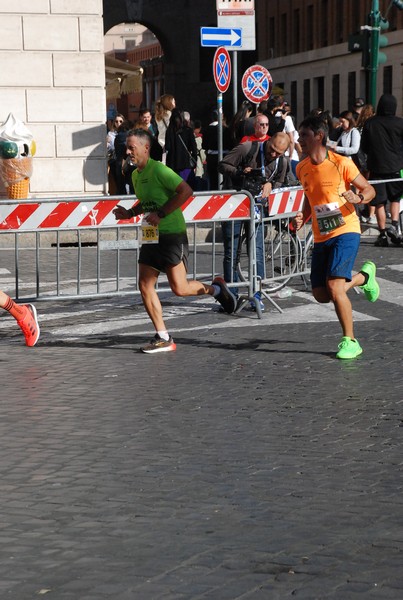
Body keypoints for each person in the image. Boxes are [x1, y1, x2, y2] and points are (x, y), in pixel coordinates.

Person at [113, 129, 236, 354]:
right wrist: (129, 213)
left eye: (132, 147)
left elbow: (185, 191)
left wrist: (161, 214)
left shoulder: (159, 169)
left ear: (146, 148)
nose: (128, 151)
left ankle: (216, 289)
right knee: (144, 285)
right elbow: (146, 202)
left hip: (171, 234)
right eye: (127, 148)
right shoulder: (135, 175)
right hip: (151, 236)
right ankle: (163, 336)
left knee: (179, 288)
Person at [294, 115, 378, 360]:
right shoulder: (301, 168)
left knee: (335, 287)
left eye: (304, 136)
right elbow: (310, 199)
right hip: (321, 236)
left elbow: (369, 189)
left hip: (346, 229)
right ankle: (364, 277)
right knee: (321, 294)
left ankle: (350, 340)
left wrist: (359, 198)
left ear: (319, 136)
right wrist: (303, 216)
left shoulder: (342, 163)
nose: (300, 140)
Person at [218, 132, 295, 310]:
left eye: (278, 153)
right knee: (232, 251)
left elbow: (281, 182)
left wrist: (270, 184)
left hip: (257, 208)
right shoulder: (248, 148)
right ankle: (231, 296)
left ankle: (257, 295)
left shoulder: (282, 162)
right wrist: (240, 173)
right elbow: (222, 165)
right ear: (267, 142)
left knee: (257, 252)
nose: (273, 155)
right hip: (234, 204)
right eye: (272, 150)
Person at [360, 93, 403, 247]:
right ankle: (395, 224)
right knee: (395, 199)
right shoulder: (400, 123)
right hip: (396, 166)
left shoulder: (371, 123)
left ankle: (383, 234)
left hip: (376, 166)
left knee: (379, 203)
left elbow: (364, 146)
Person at [165, 108, 198, 187]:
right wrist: (194, 160)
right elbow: (193, 147)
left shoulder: (169, 131)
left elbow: (167, 147)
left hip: (172, 164)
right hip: (186, 164)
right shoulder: (188, 130)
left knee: (175, 189)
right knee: (188, 189)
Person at [202, 109, 232, 191]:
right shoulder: (226, 129)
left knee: (213, 181)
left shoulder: (207, 129)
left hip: (212, 158)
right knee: (225, 180)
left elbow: (204, 145)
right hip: (225, 157)